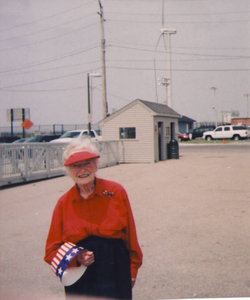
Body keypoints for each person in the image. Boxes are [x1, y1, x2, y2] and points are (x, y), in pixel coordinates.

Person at [44, 137, 143, 299]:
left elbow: (130, 236)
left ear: (96, 165)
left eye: (87, 163)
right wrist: (76, 258)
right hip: (79, 273)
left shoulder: (116, 191)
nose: (82, 170)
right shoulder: (63, 203)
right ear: (69, 170)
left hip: (115, 268)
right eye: (76, 166)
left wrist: (133, 269)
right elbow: (51, 251)